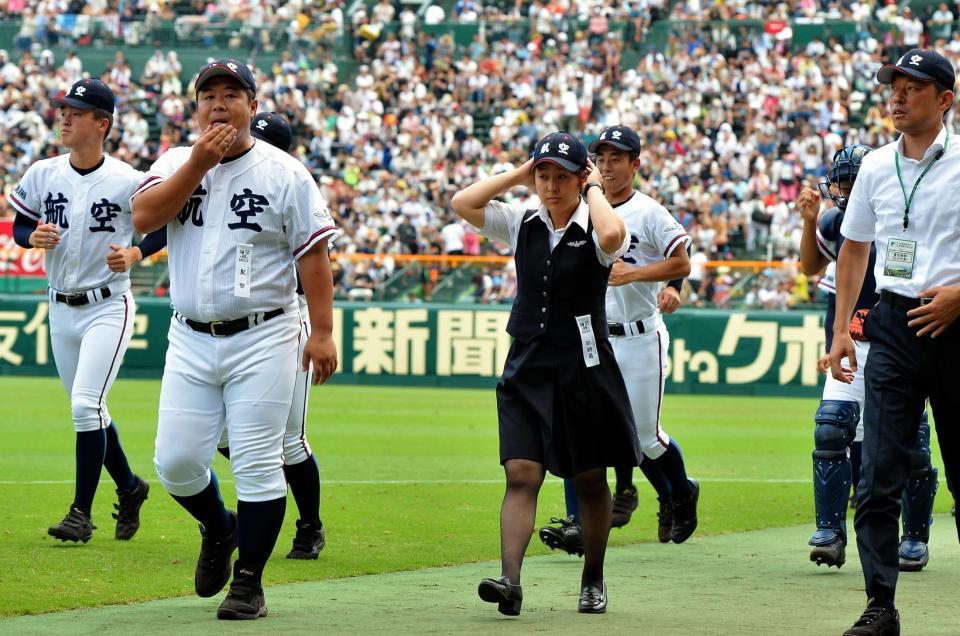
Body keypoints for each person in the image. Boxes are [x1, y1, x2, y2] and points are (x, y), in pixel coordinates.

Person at [131, 59, 338, 620]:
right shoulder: (177, 160)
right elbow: (145, 215)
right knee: (174, 462)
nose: (219, 104)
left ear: (253, 103)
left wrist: (321, 332)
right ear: (195, 107)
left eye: (232, 94)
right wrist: (200, 160)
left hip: (265, 333)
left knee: (257, 462)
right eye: (209, 95)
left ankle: (248, 581)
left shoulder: (286, 173)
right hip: (190, 335)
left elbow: (315, 258)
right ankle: (220, 529)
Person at [451, 131, 639, 615]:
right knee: (521, 472)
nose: (551, 187)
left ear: (580, 178)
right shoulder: (523, 221)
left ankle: (593, 577)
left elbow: (614, 238)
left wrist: (593, 187)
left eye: (562, 177)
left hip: (584, 366)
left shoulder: (596, 225)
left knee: (590, 479)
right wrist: (521, 170)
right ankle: (509, 581)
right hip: (528, 362)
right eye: (544, 176)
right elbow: (462, 202)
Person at [830, 49, 960, 636]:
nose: (898, 95)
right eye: (894, 85)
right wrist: (840, 331)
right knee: (876, 473)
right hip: (894, 326)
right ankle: (880, 605)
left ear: (945, 99)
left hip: (957, 325)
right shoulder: (878, 166)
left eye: (914, 86)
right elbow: (854, 248)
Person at [8, 79, 162, 544]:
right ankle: (131, 488)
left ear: (102, 123)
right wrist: (30, 238)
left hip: (107, 305)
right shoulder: (43, 172)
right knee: (91, 409)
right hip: (60, 306)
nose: (65, 117)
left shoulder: (128, 180)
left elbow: (165, 225)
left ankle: (81, 513)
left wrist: (136, 254)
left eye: (76, 111)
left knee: (84, 405)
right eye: (63, 109)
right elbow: (20, 224)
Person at [539, 125, 699, 552]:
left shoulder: (648, 211)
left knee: (646, 439)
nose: (608, 166)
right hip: (591, 339)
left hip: (639, 336)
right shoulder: (580, 207)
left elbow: (681, 261)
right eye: (602, 158)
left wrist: (639, 275)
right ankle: (577, 522)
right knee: (580, 433)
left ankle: (682, 493)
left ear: (635, 164)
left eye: (617, 158)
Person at [797, 146, 938, 573]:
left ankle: (914, 535)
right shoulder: (836, 222)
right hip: (853, 343)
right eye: (841, 181)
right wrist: (807, 222)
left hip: (898, 341)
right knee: (830, 429)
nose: (845, 189)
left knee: (911, 446)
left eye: (851, 180)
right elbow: (808, 266)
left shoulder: (902, 217)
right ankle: (829, 532)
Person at [214, 112, 326, 561]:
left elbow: (313, 264)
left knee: (290, 441)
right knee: (224, 436)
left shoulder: (290, 187)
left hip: (285, 319)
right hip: (233, 329)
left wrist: (321, 331)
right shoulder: (233, 186)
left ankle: (309, 526)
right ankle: (262, 501)